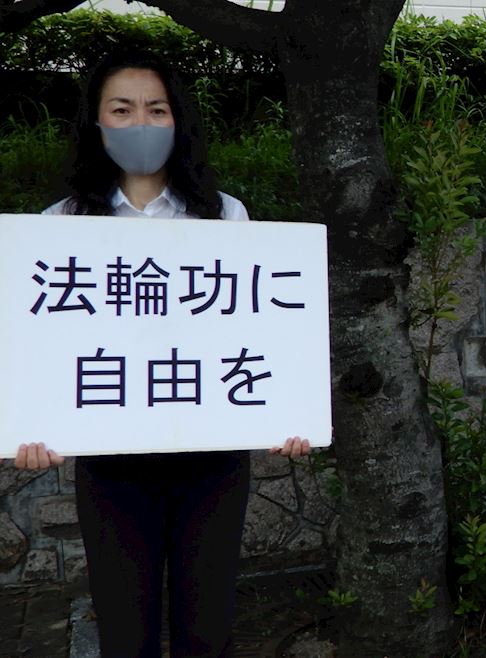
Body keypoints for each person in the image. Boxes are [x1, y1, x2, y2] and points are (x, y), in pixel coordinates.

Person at [4, 50, 311, 658]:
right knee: (125, 632)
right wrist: (30, 428)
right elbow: (40, 349)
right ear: (96, 123)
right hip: (112, 466)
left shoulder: (224, 214)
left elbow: (255, 328)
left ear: (178, 120)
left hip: (212, 459)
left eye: (156, 109)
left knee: (208, 629)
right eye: (122, 110)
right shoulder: (59, 225)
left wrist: (286, 413)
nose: (140, 123)